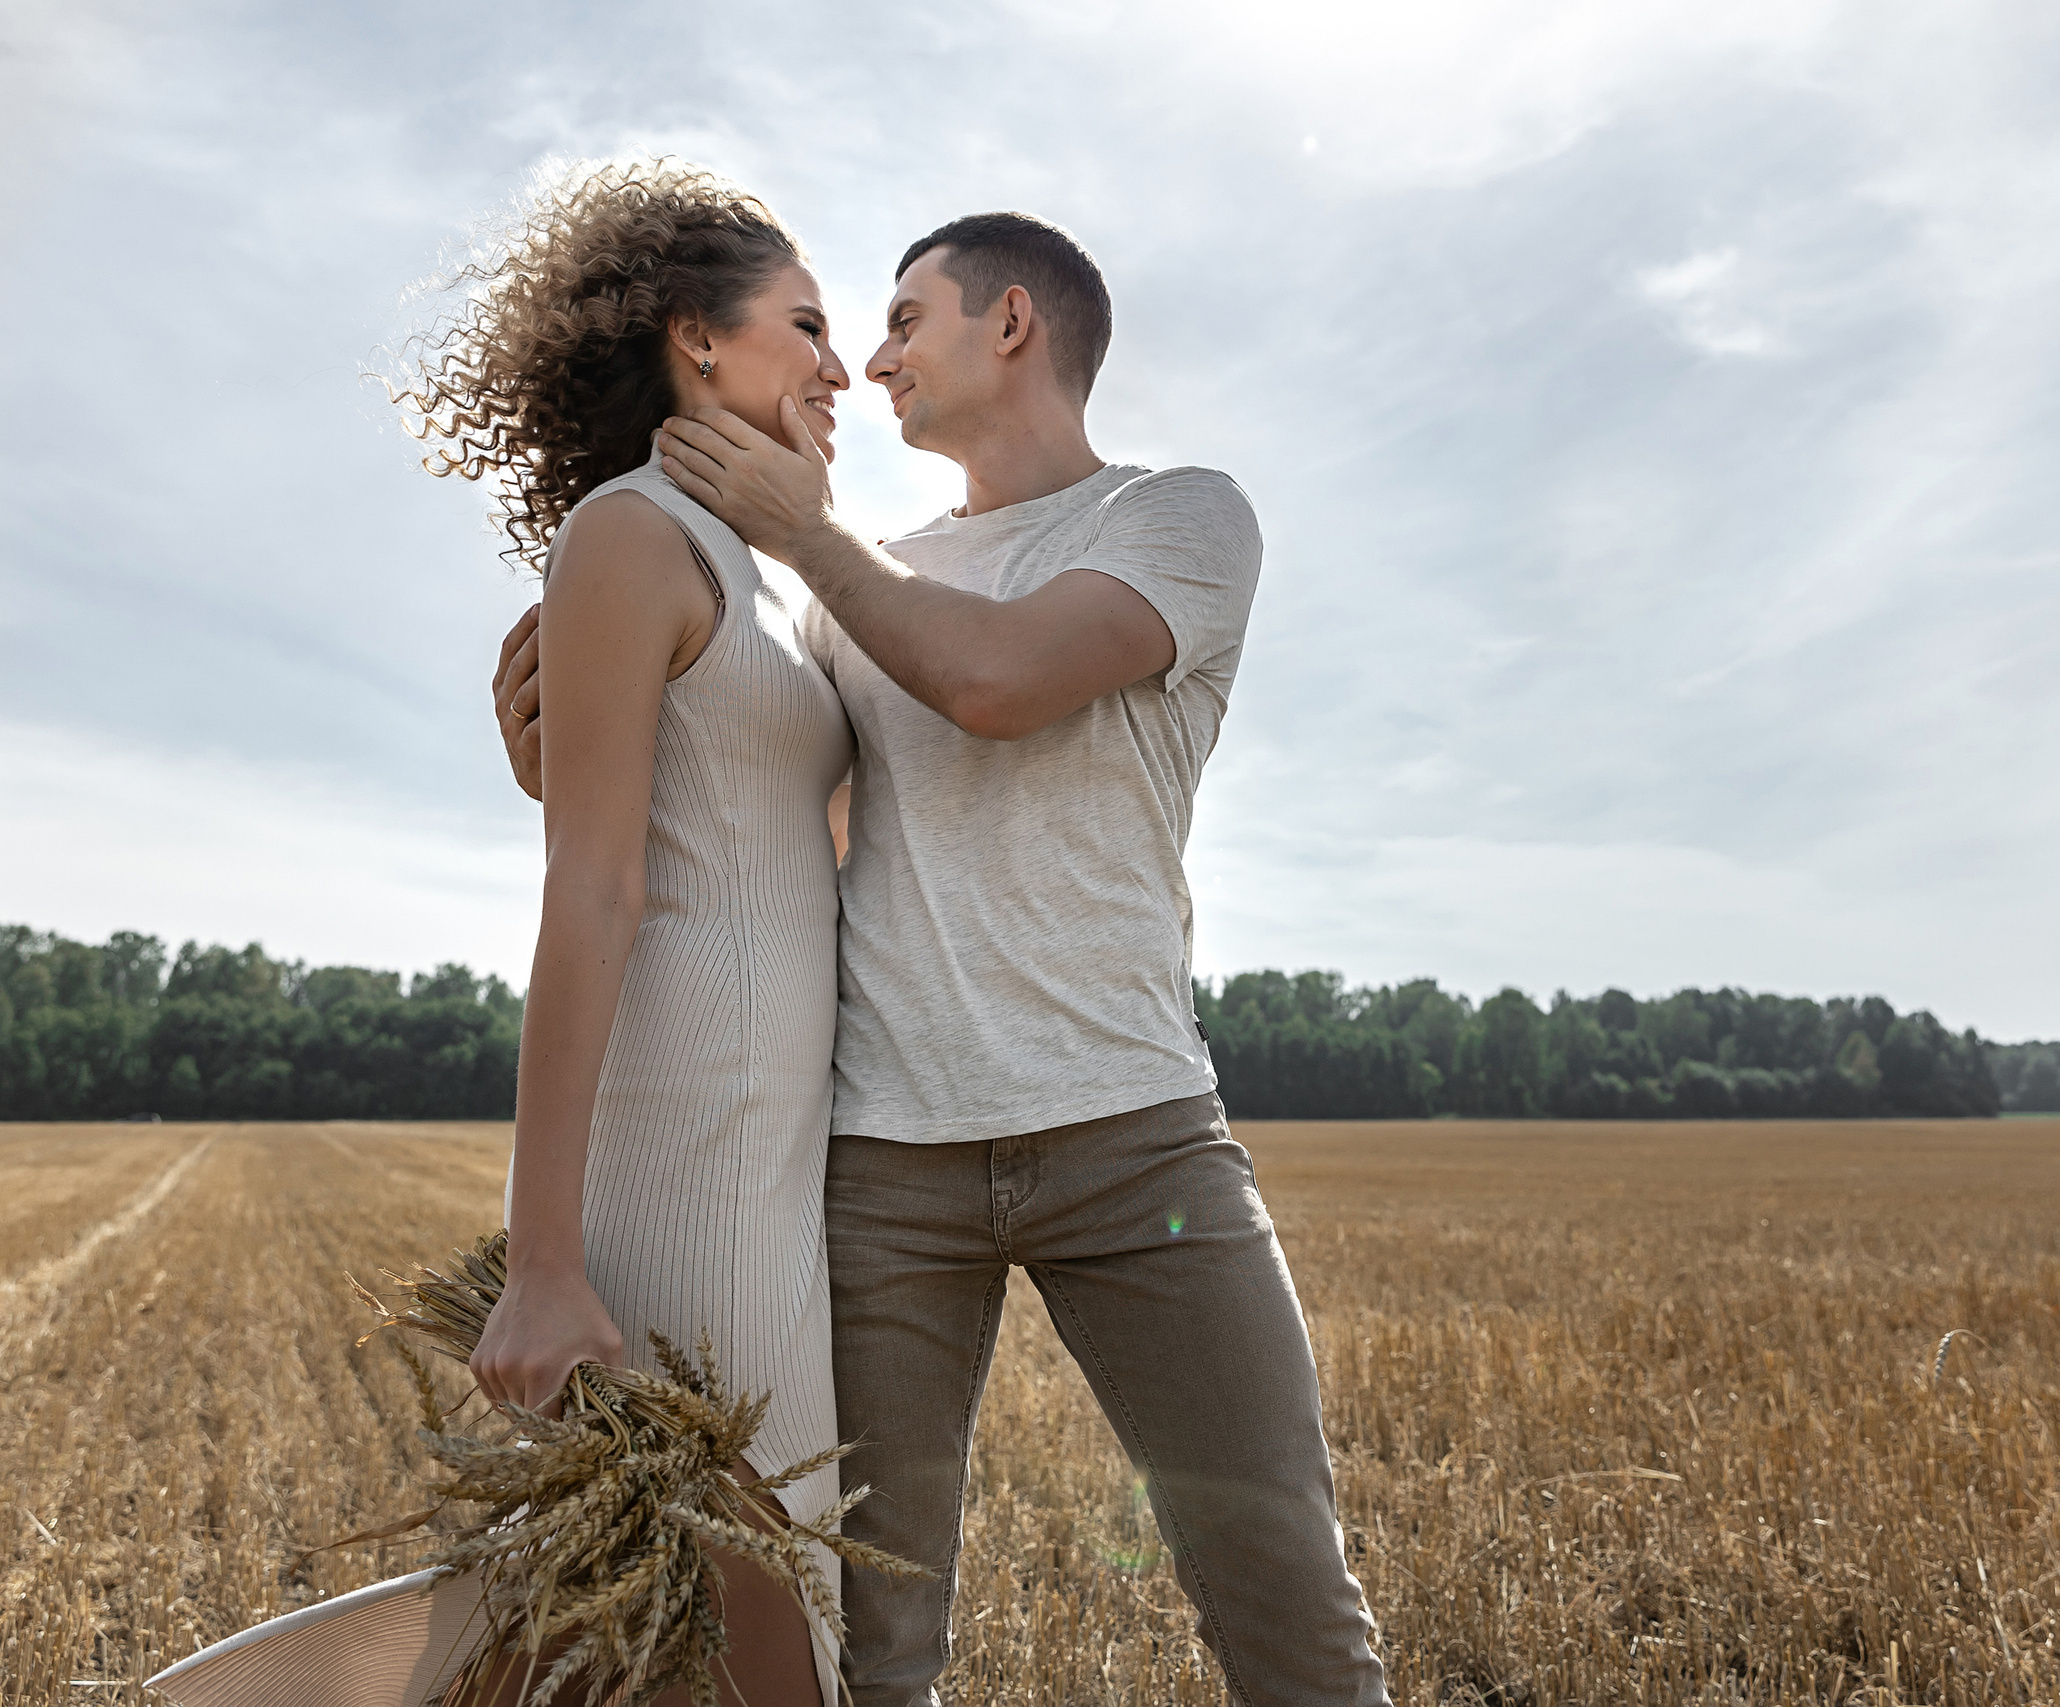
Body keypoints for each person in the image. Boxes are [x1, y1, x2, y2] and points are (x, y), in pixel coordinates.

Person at [496, 212, 1393, 1705]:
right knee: (875, 1648)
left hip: (1132, 1139)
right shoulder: (855, 573)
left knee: (1290, 1611)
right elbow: (784, 826)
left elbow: (994, 681)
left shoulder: (1176, 518)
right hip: (885, 1165)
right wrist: (568, 745)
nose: (875, 358)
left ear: (1015, 324)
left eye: (908, 318)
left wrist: (807, 537)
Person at [427, 158, 857, 1707]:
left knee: (746, 1630)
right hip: (677, 1157)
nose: (841, 365)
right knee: (732, 1639)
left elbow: (804, 859)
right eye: (805, 325)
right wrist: (542, 1258)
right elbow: (589, 895)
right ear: (695, 337)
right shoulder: (629, 534)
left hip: (772, 1157)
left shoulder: (772, 576)